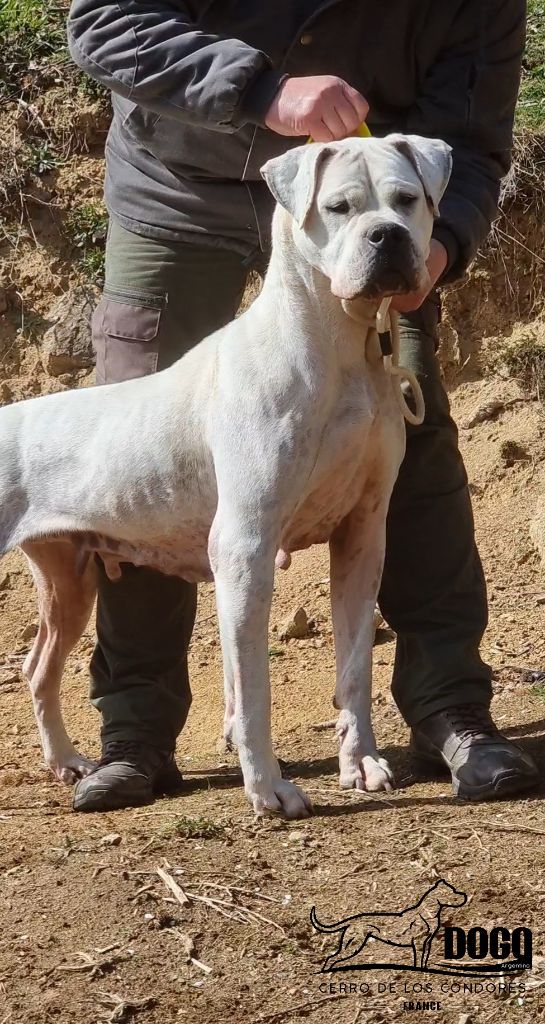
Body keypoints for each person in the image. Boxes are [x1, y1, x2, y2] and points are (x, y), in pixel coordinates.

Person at [66, 0, 538, 811]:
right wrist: (258, 90)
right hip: (181, 187)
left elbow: (469, 135)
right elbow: (103, 21)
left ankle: (448, 710)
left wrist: (436, 243)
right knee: (136, 451)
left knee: (411, 433)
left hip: (368, 206)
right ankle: (137, 731)